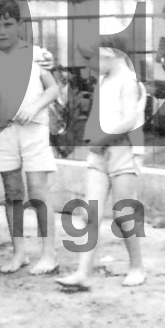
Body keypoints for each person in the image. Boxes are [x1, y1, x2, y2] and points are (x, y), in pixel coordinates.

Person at [56, 33, 147, 291]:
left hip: (123, 151)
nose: (89, 64)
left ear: (108, 53)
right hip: (99, 152)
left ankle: (137, 265)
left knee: (123, 214)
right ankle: (83, 272)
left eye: (91, 58)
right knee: (90, 213)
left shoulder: (129, 82)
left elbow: (129, 121)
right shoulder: (103, 80)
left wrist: (102, 139)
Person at [0, 0, 61, 276]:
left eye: (7, 24)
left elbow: (52, 90)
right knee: (12, 192)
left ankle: (48, 253)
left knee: (38, 190)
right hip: (3, 132)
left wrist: (34, 107)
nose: (1, 31)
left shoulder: (35, 54)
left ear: (19, 25)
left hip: (33, 129)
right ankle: (19, 252)